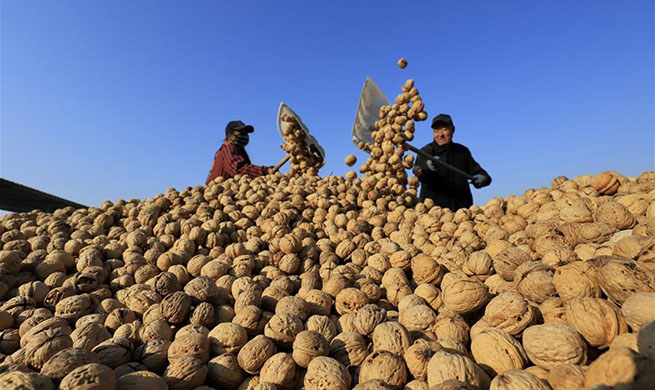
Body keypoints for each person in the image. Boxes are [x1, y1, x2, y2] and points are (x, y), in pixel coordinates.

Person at [412, 113, 491, 210]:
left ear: (452, 130)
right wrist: (427, 167)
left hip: (462, 212)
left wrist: (484, 178)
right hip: (434, 213)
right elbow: (419, 172)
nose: (440, 134)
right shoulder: (426, 151)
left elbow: (479, 172)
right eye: (436, 130)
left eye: (444, 129)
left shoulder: (462, 151)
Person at [206, 120, 274, 183]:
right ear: (231, 135)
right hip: (221, 193)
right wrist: (264, 170)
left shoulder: (237, 150)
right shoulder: (228, 149)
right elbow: (238, 170)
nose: (245, 136)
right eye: (241, 132)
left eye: (246, 133)